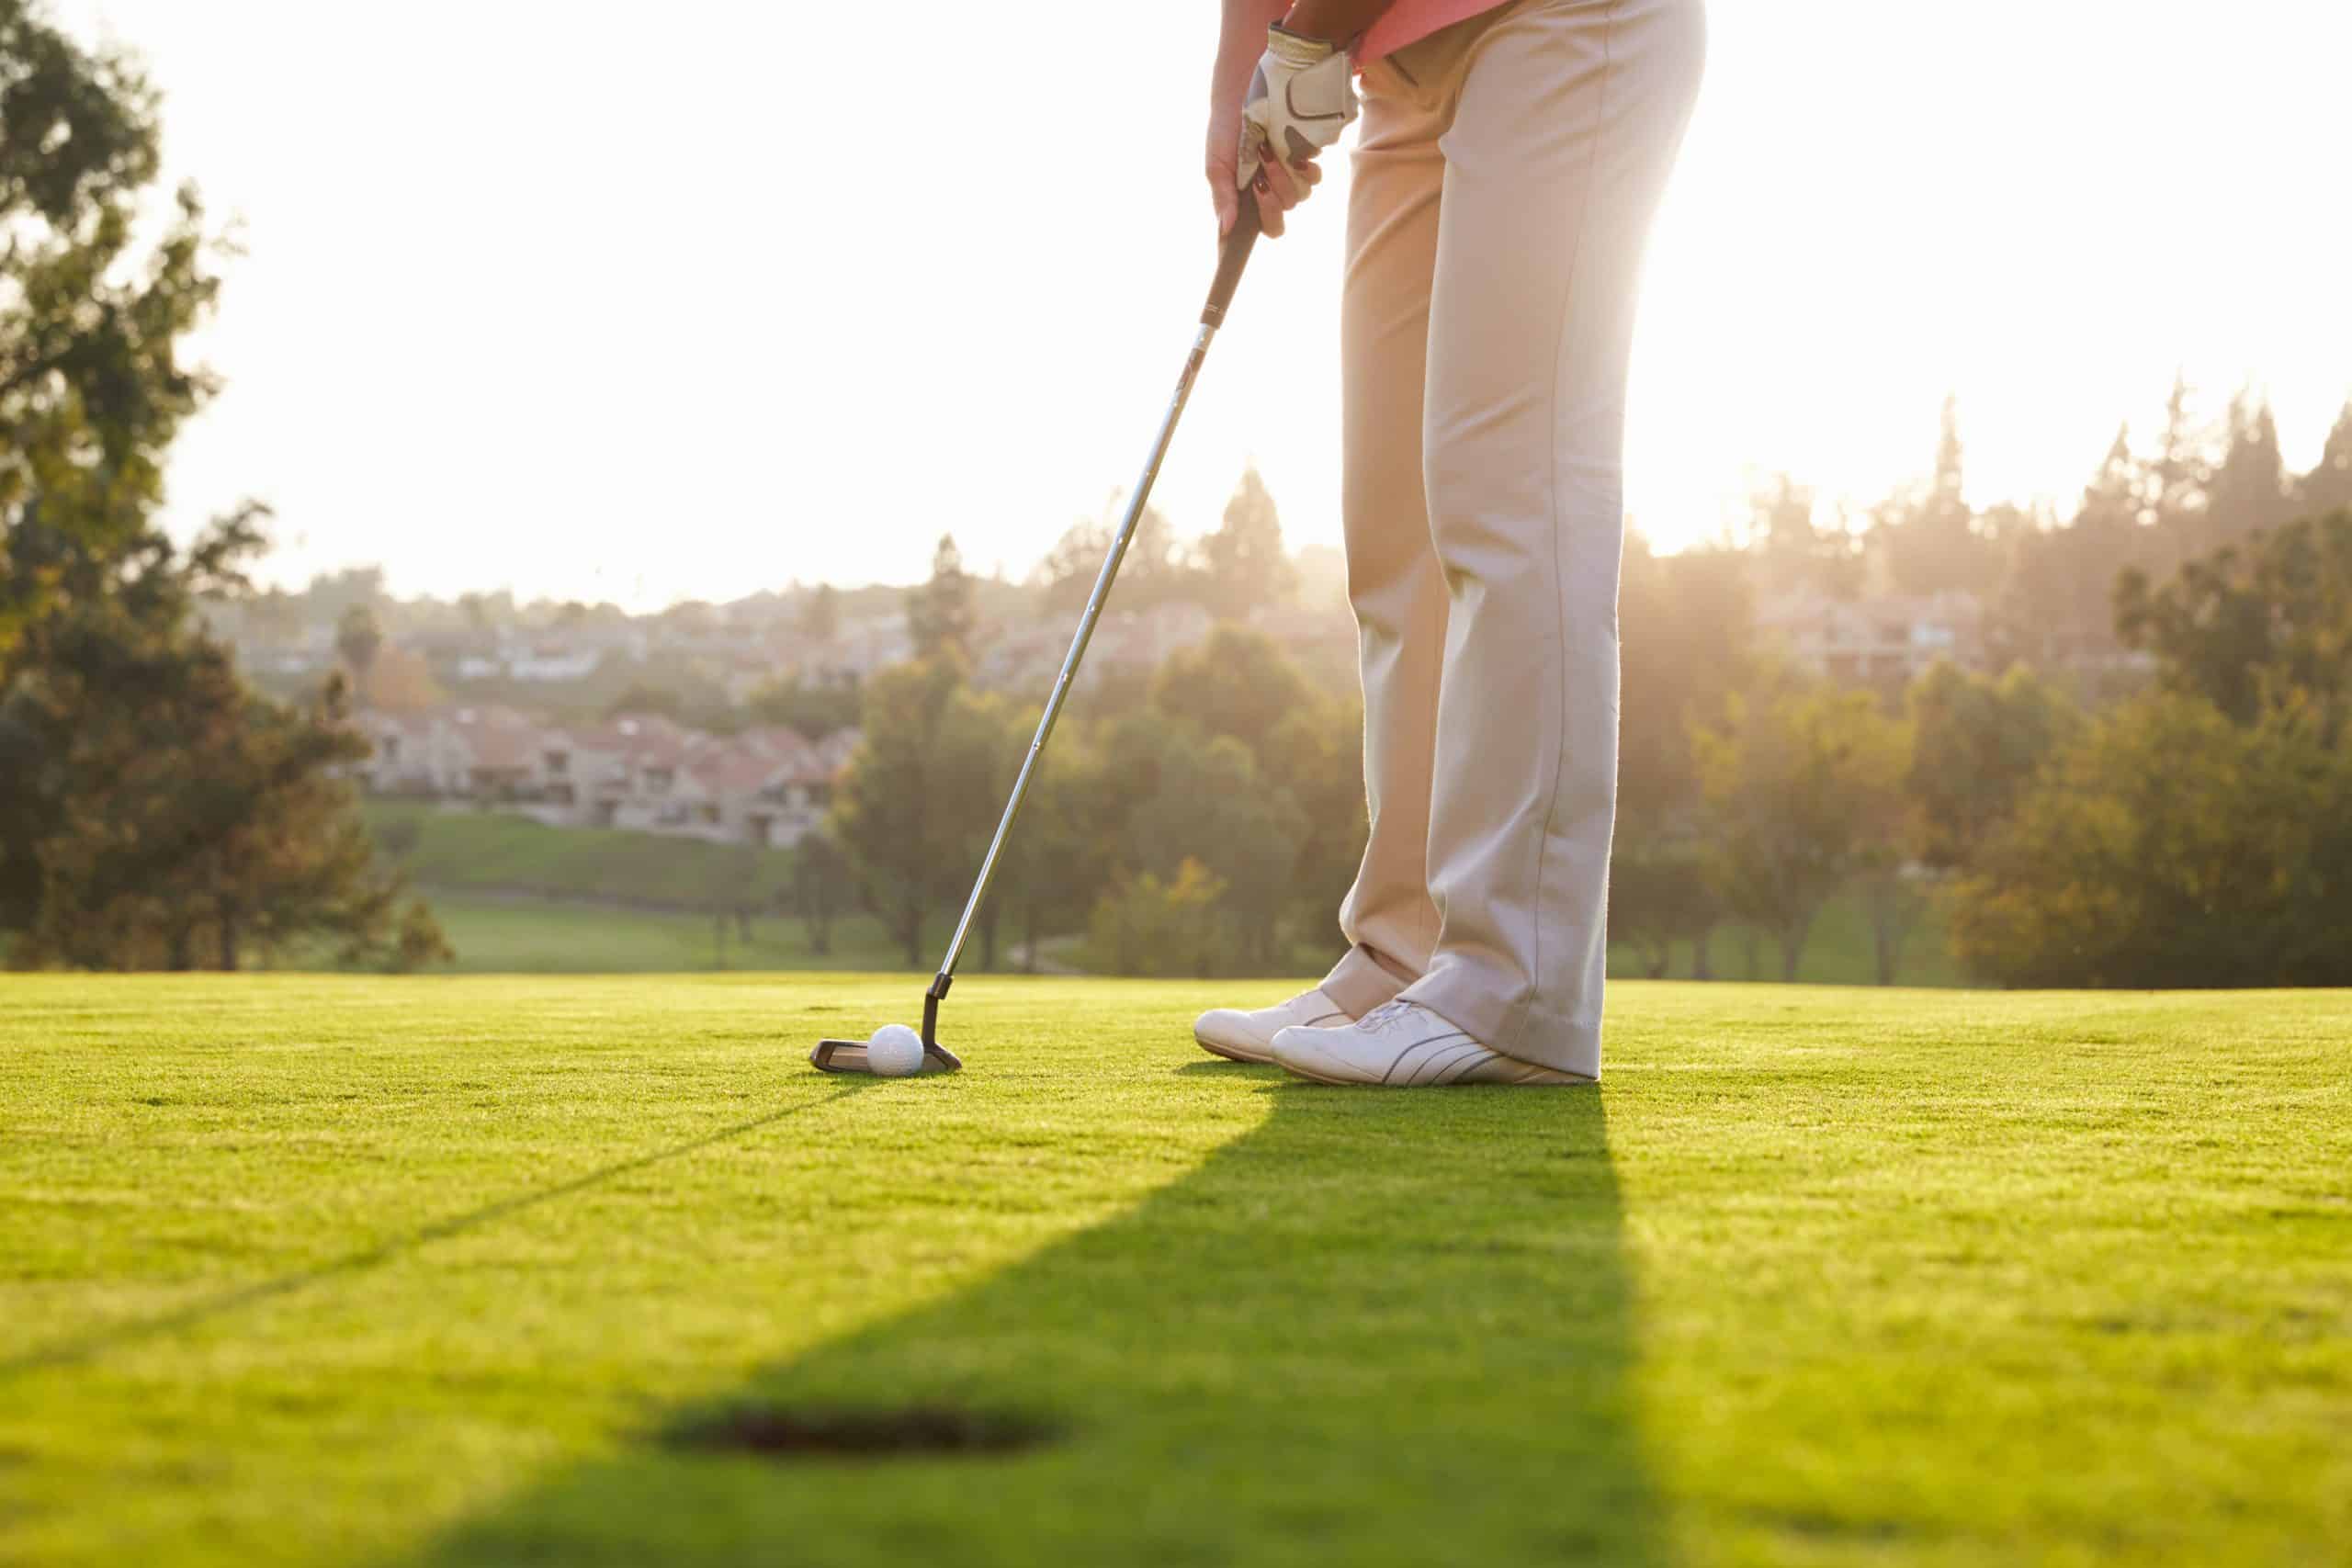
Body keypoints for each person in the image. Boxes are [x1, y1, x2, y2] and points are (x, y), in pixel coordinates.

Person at [1191, 0, 1706, 1086]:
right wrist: (1242, 87)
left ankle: (1513, 986)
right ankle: (1405, 951)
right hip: (1393, 66)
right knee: (1395, 533)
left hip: (1566, 20)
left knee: (1507, 492)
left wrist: (1305, 42)